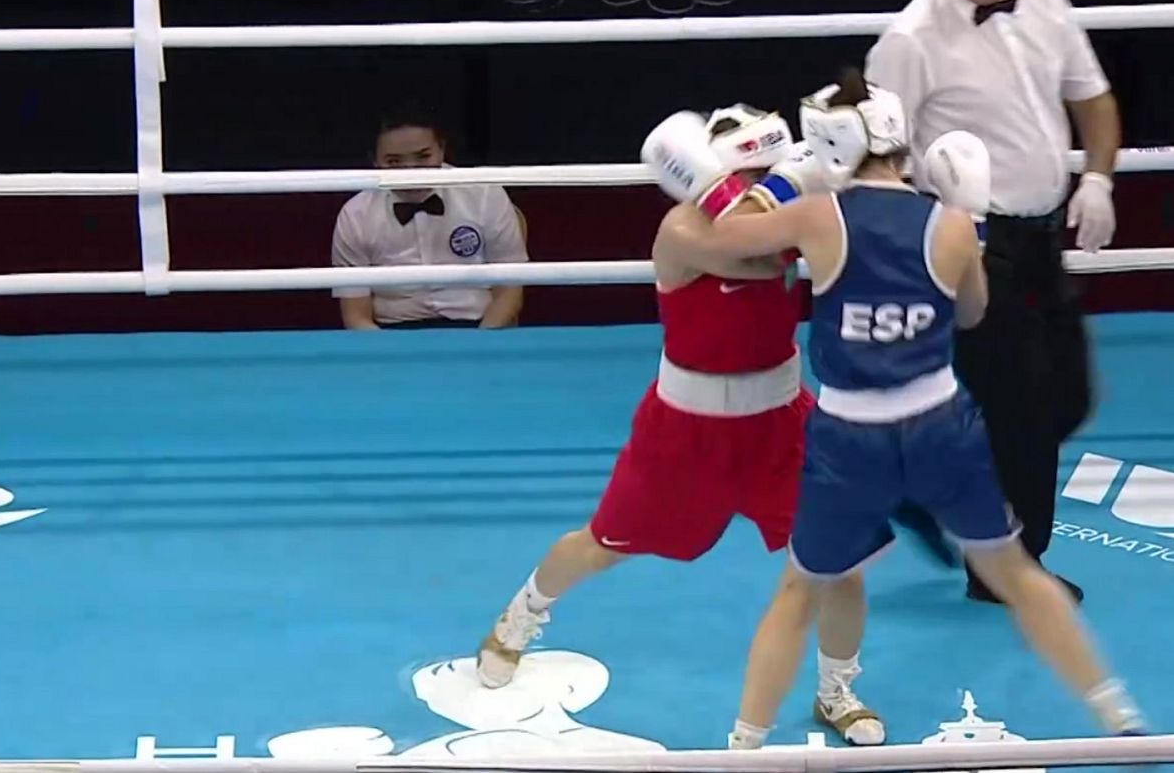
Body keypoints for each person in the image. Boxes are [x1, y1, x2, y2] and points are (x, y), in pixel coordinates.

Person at [651, 70, 1145, 746]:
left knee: (800, 592)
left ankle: (742, 747)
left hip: (850, 438)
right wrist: (964, 225)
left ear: (829, 146)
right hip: (942, 426)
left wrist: (752, 183)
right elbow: (971, 315)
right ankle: (1116, 710)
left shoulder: (817, 217)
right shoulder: (947, 224)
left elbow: (719, 241)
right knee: (1015, 574)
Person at [475, 104, 855, 711]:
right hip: (684, 432)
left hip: (782, 424)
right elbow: (751, 255)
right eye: (751, 179)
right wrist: (799, 185)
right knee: (602, 544)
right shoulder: (682, 230)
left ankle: (837, 691)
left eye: (770, 174)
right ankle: (519, 617)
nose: (762, 191)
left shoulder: (796, 216)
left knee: (839, 559)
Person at [863, 0, 1121, 604]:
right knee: (1022, 410)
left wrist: (1097, 179)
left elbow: (1091, 97)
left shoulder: (1046, 3)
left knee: (1070, 397)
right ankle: (1005, 567)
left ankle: (917, 481)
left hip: (1043, 237)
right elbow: (874, 162)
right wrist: (934, 243)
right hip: (975, 245)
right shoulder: (910, 42)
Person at [330, 111, 529, 330]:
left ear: (442, 150)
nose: (410, 172)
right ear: (374, 160)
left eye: (423, 157)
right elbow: (356, 316)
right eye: (394, 161)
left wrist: (479, 347)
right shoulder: (355, 215)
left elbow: (510, 292)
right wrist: (392, 357)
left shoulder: (484, 193)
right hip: (390, 335)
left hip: (480, 327)